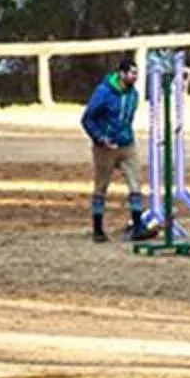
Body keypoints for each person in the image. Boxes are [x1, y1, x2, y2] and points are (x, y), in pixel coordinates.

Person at [80, 56, 150, 244]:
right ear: (121, 73)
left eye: (137, 74)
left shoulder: (133, 95)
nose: (135, 77)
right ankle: (98, 229)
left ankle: (138, 226)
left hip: (127, 145)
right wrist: (101, 138)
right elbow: (87, 118)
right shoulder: (103, 93)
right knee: (101, 186)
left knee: (136, 184)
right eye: (132, 73)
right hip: (105, 147)